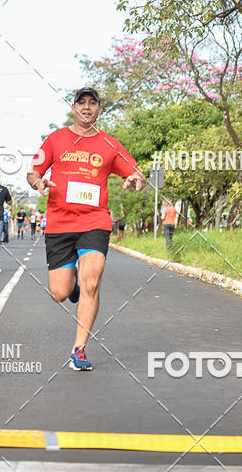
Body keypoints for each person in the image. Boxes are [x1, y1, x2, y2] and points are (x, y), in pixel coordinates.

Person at [27, 86, 145, 372]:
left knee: (93, 281)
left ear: (99, 109)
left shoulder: (109, 144)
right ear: (73, 108)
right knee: (59, 292)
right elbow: (33, 172)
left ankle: (78, 349)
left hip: (94, 221)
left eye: (93, 103)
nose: (87, 107)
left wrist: (135, 179)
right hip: (59, 222)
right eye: (82, 103)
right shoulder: (56, 139)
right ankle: (74, 283)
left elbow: (135, 171)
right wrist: (38, 182)